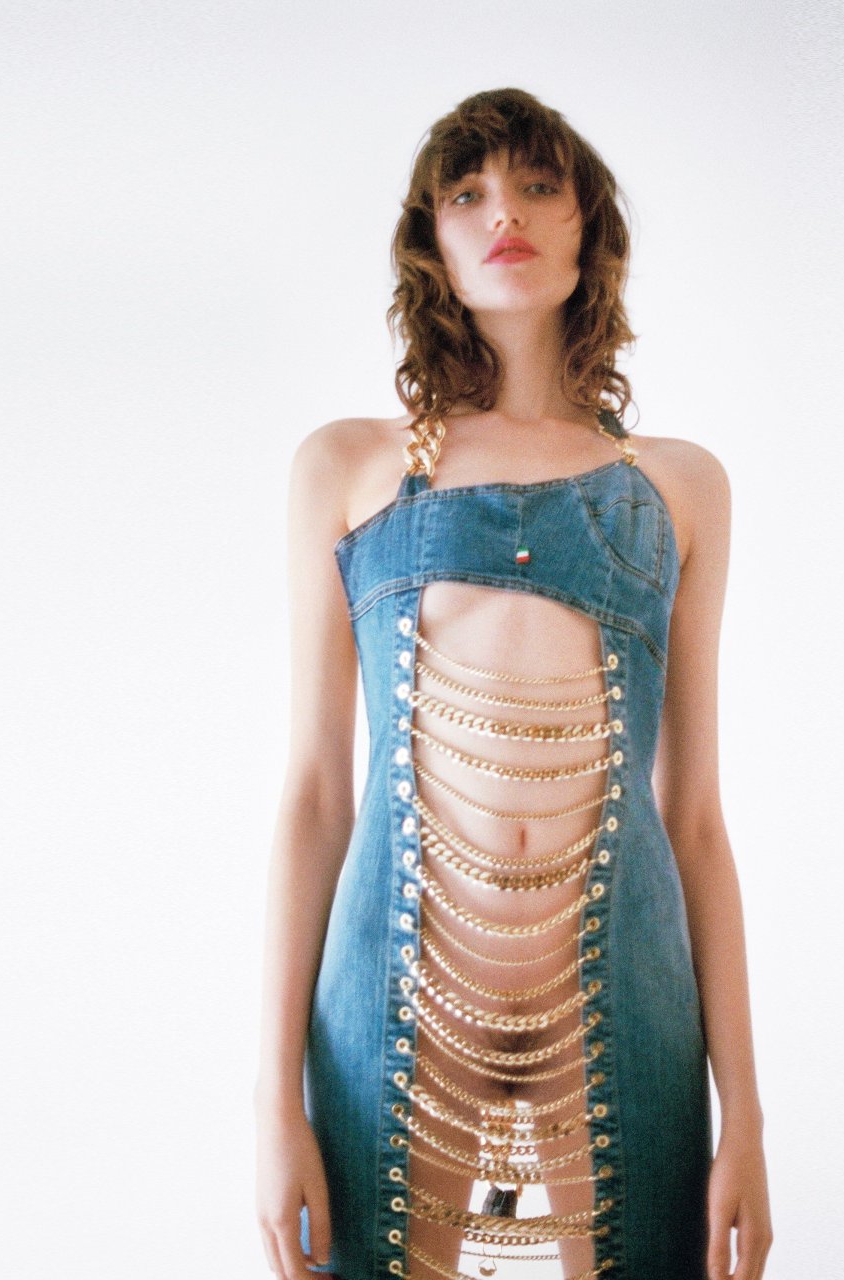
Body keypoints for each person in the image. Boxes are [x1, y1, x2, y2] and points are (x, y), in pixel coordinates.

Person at [254, 87, 772, 1280]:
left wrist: (743, 1113)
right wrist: (272, 1099)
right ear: (428, 239)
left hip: (622, 1008)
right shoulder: (346, 467)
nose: (505, 214)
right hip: (391, 1009)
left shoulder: (681, 486)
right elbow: (317, 793)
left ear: (590, 228)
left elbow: (693, 815)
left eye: (540, 186)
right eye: (467, 192)